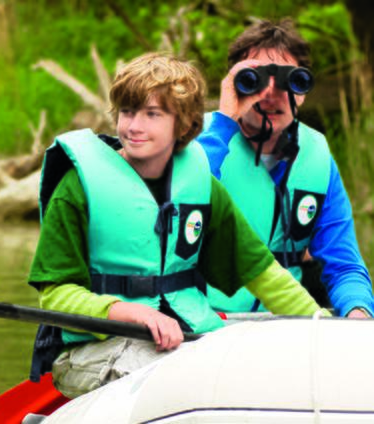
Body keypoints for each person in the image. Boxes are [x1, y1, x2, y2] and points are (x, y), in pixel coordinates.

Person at [28, 52, 327, 399]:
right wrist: (125, 311)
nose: (134, 126)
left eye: (152, 114)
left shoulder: (200, 184)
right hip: (94, 349)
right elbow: (54, 296)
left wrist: (321, 326)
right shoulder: (77, 187)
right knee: (177, 385)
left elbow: (261, 272)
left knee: (250, 383)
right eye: (127, 111)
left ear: (183, 125)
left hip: (188, 338)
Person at [197, 19, 374, 318]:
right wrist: (224, 123)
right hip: (204, 322)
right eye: (254, 78)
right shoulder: (196, 138)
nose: (270, 93)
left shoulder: (315, 155)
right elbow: (181, 204)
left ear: (302, 90)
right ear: (234, 82)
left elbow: (343, 264)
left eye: (288, 80)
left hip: (283, 325)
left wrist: (359, 313)